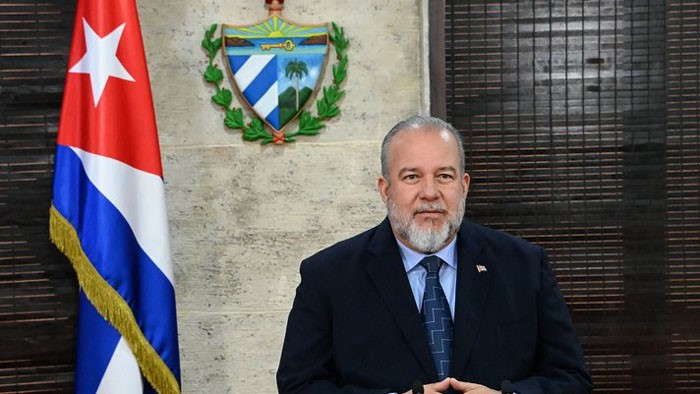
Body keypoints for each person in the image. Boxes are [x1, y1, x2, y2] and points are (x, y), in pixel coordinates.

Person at [276, 116, 593, 394]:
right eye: (412, 177)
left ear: (464, 185)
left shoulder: (524, 266)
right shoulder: (329, 276)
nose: (430, 192)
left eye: (444, 176)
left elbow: (572, 379)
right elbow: (299, 385)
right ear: (385, 189)